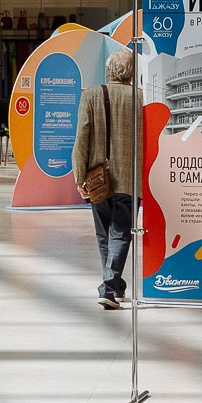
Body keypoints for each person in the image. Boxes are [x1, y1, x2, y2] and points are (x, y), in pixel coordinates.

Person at [72, 47, 141, 309]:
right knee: (121, 233)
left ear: (109, 70)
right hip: (129, 177)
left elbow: (81, 140)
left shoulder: (92, 96)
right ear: (132, 72)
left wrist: (79, 177)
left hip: (98, 177)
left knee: (104, 234)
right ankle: (112, 286)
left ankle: (112, 286)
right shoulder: (140, 98)